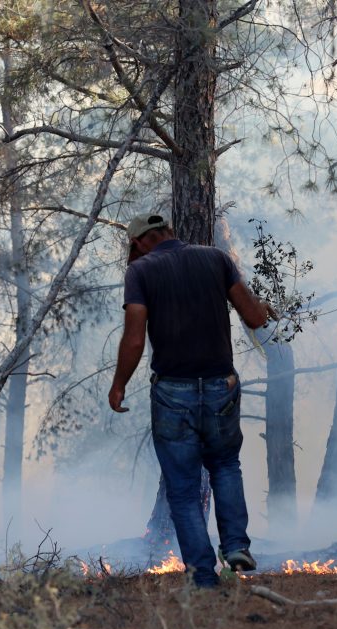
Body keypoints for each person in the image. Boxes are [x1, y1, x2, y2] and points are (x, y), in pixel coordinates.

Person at [109, 212, 276, 587]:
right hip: (221, 385)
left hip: (173, 392)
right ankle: (236, 546)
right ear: (169, 231)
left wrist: (119, 384)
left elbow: (134, 339)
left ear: (137, 243)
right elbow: (253, 317)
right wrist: (265, 308)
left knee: (183, 487)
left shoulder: (140, 271)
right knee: (225, 466)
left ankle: (202, 573)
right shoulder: (215, 257)